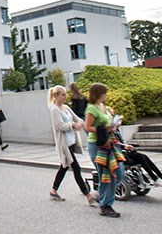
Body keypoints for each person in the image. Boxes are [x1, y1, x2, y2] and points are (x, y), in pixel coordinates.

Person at [47, 86, 96, 205]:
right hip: (64, 144)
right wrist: (73, 125)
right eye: (63, 95)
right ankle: (88, 195)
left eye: (65, 94)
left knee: (64, 166)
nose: (65, 96)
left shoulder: (66, 108)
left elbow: (78, 119)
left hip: (71, 141)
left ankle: (53, 191)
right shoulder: (54, 110)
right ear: (56, 96)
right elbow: (60, 126)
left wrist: (79, 123)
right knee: (76, 168)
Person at [85, 83, 125, 218]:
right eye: (104, 92)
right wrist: (104, 129)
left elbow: (107, 123)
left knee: (118, 172)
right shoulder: (91, 108)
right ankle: (105, 205)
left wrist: (114, 125)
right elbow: (87, 127)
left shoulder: (104, 107)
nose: (106, 95)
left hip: (109, 142)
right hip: (97, 144)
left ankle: (101, 197)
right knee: (108, 174)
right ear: (98, 93)